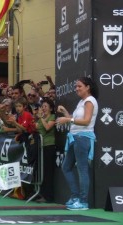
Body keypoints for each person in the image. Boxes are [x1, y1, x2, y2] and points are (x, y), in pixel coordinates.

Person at [56, 76, 98, 210]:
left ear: (88, 87)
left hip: (83, 138)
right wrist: (65, 114)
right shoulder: (82, 102)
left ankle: (83, 202)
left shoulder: (90, 101)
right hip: (75, 138)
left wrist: (67, 120)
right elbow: (74, 119)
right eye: (76, 86)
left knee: (82, 170)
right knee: (66, 167)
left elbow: (86, 121)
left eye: (79, 86)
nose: (77, 89)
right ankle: (75, 197)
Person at [35, 98, 56, 203]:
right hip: (41, 147)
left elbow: (47, 127)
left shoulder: (52, 116)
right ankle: (41, 193)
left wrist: (41, 118)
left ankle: (48, 196)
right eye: (42, 106)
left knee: (48, 172)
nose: (43, 109)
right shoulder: (40, 118)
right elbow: (35, 128)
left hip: (49, 146)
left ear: (51, 108)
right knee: (42, 171)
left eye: (45, 107)